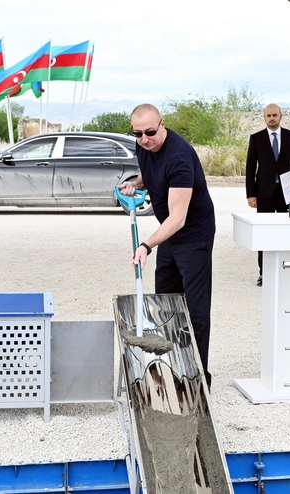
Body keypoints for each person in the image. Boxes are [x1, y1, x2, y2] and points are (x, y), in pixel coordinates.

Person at [118, 104, 216, 388]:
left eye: (150, 132)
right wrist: (136, 184)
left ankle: (198, 378)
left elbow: (178, 218)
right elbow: (149, 173)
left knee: (194, 308)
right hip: (169, 234)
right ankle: (172, 366)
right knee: (165, 302)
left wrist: (146, 245)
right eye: (138, 133)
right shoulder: (143, 145)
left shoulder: (179, 157)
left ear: (162, 124)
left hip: (194, 233)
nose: (144, 139)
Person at [245, 103, 290, 286]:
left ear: (281, 116)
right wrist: (250, 194)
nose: (271, 118)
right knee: (263, 234)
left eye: (274, 115)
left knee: (286, 232)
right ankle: (264, 273)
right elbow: (250, 168)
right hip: (263, 193)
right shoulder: (256, 138)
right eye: (268, 115)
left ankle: (285, 271)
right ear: (264, 117)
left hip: (286, 194)